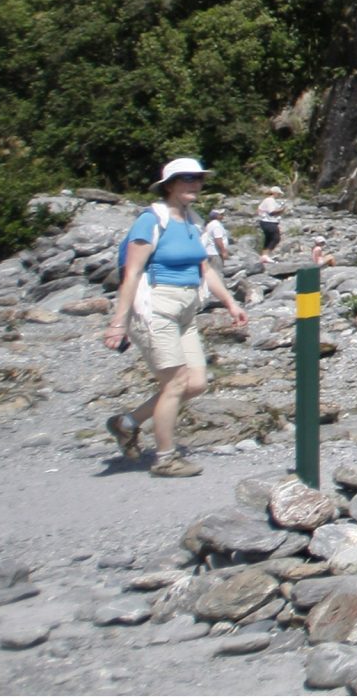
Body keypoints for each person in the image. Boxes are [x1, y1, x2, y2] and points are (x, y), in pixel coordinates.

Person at [103, 158, 248, 477]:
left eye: (197, 178)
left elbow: (205, 269)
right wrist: (118, 322)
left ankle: (127, 423)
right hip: (155, 307)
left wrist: (230, 303)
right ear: (169, 185)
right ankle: (165, 459)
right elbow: (132, 273)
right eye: (186, 179)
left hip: (186, 310)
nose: (194, 184)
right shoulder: (151, 221)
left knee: (195, 384)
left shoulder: (193, 222)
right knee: (175, 382)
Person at [255, 186, 286, 256]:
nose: (280, 195)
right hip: (269, 222)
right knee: (276, 238)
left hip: (267, 222)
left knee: (268, 239)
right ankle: (266, 254)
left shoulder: (269, 200)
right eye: (279, 194)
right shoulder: (270, 200)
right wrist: (282, 209)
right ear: (275, 193)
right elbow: (271, 212)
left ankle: (264, 255)